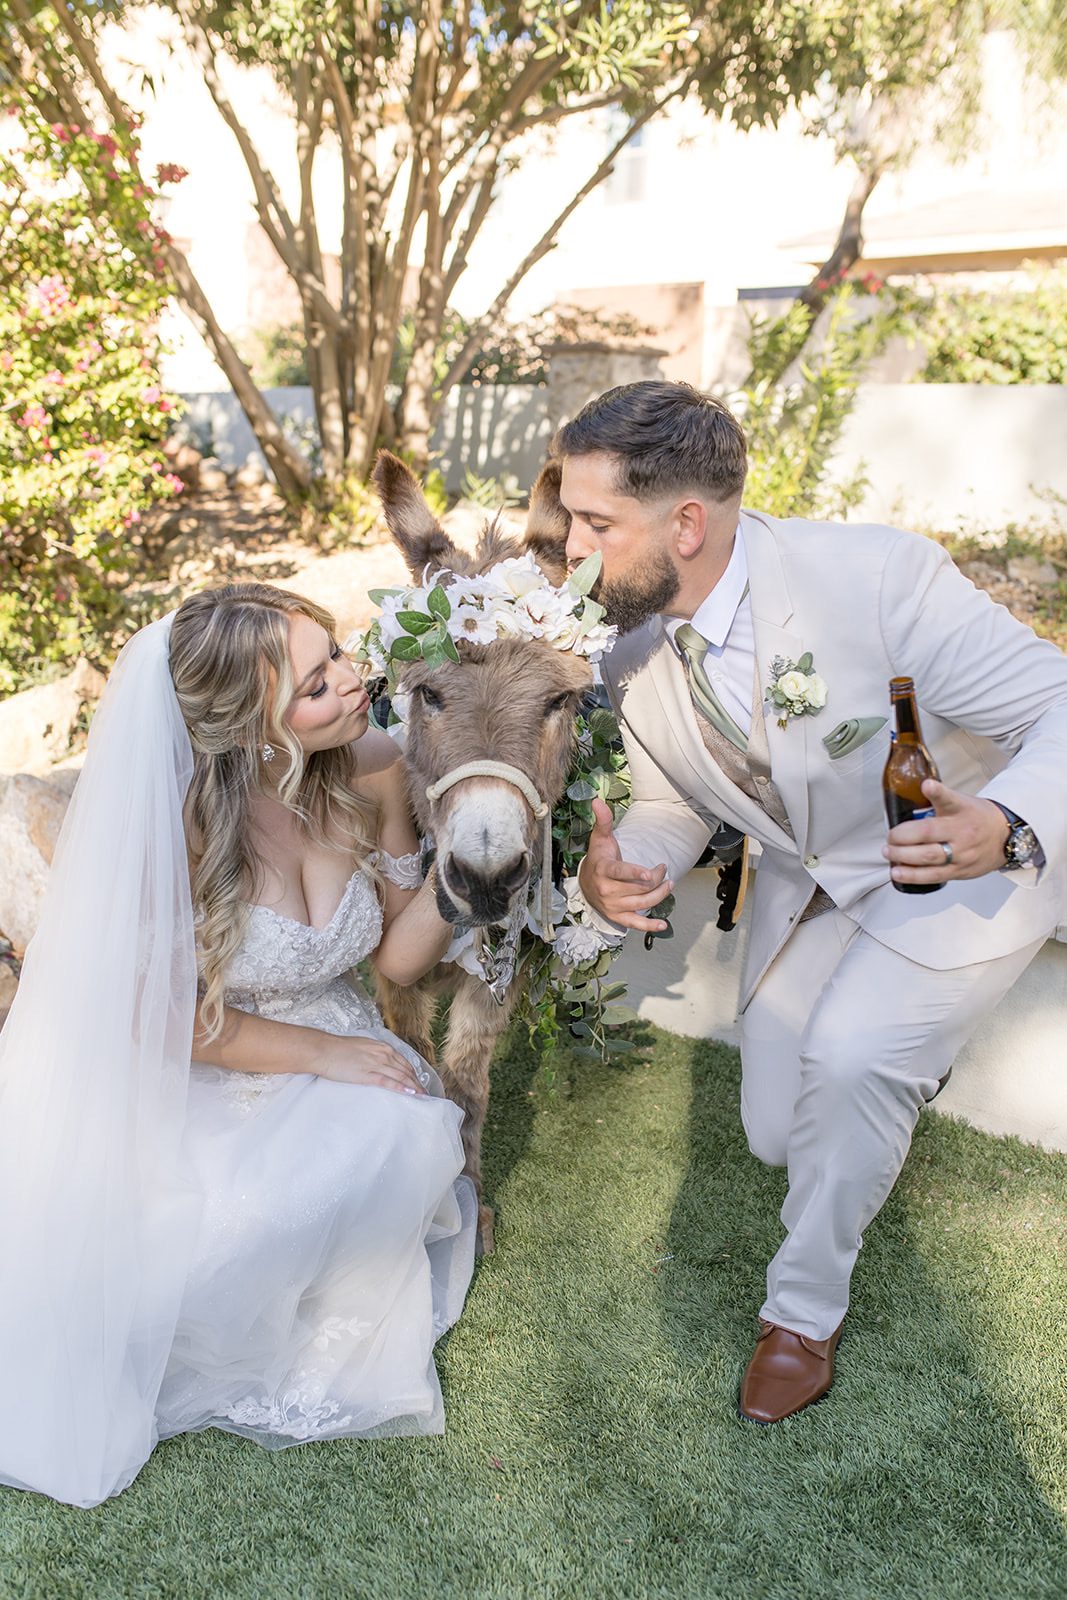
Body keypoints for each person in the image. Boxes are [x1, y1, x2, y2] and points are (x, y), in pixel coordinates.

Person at [559, 380, 1067, 1425]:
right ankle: (894, 1071)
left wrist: (1006, 822)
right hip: (809, 886)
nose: (569, 545)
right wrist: (626, 863)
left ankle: (797, 1320)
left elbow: (1057, 700)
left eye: (592, 521)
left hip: (958, 867)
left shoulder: (875, 578)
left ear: (685, 524)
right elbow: (667, 801)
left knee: (847, 1057)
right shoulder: (628, 642)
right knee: (774, 1132)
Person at [0, 582, 477, 1508]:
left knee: (405, 1134)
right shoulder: (179, 823)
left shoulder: (372, 766)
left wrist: (461, 881)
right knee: (186, 1256)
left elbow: (396, 957)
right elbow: (170, 1021)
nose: (350, 680)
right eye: (314, 684)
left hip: (342, 1046)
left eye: (336, 653)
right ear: (255, 729)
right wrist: (322, 1053)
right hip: (213, 1062)